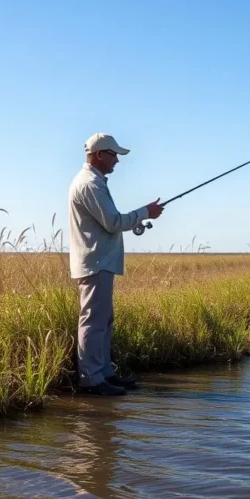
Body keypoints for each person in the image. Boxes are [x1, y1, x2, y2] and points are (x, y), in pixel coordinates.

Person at [67, 132, 164, 396]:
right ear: (99, 154)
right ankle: (92, 379)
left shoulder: (94, 182)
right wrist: (145, 212)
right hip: (95, 262)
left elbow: (111, 223)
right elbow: (113, 222)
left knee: (103, 320)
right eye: (114, 155)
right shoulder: (90, 184)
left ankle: (104, 373)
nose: (117, 161)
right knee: (93, 321)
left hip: (99, 262)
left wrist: (139, 217)